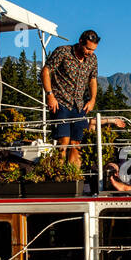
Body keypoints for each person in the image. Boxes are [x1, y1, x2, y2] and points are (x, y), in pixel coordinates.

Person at [42, 29, 99, 167]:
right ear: (80, 42)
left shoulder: (92, 59)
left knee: (77, 143)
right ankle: (59, 175)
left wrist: (92, 100)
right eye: (87, 48)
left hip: (79, 105)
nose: (89, 52)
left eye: (92, 49)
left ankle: (74, 176)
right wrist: (50, 95)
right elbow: (46, 71)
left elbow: (92, 80)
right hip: (61, 102)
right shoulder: (63, 52)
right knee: (63, 141)